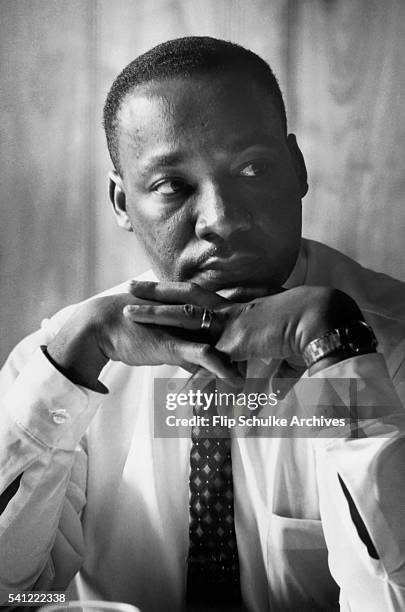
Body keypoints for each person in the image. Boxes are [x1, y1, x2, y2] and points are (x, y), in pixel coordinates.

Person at [1, 36, 405, 612]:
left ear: (297, 169)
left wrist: (339, 353)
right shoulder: (54, 362)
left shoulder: (391, 347)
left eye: (253, 168)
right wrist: (67, 368)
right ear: (121, 203)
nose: (222, 219)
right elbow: (12, 594)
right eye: (171, 186)